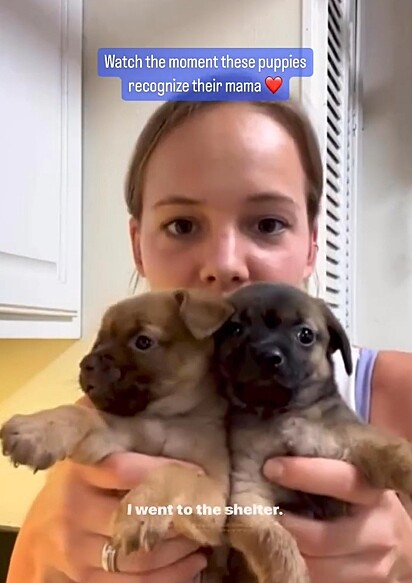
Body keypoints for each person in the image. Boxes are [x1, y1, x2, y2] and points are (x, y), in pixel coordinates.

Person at [6, 100, 412, 583]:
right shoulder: (109, 410)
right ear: (138, 245)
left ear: (310, 246)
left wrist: (405, 560)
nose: (224, 263)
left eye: (267, 224)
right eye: (182, 224)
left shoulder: (394, 392)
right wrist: (47, 551)